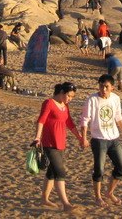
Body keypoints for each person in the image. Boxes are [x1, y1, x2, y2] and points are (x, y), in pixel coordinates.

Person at [80, 74, 122, 207]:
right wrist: (84, 138)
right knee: (99, 169)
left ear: (112, 87)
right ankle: (98, 197)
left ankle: (110, 192)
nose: (103, 89)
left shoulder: (115, 98)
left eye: (106, 87)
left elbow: (118, 117)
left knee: (121, 167)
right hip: (98, 139)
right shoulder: (92, 99)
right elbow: (85, 120)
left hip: (114, 138)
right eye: (101, 86)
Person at [33, 82, 85, 211]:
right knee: (60, 172)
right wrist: (37, 137)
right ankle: (66, 204)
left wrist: (79, 137)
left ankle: (44, 199)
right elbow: (41, 120)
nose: (70, 99)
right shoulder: (49, 103)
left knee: (51, 172)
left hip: (61, 143)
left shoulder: (65, 106)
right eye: (69, 96)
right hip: (49, 143)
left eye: (72, 97)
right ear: (62, 92)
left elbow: (69, 122)